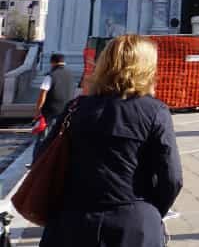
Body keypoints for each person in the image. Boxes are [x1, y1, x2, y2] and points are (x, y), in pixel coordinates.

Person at [39, 35, 182, 247]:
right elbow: (172, 179)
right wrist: (150, 212)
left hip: (72, 222)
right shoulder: (155, 112)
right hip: (133, 225)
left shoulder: (75, 108)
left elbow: (43, 159)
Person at [32, 53, 73, 162]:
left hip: (50, 112)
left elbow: (43, 94)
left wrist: (38, 112)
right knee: (58, 138)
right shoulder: (70, 75)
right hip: (66, 111)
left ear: (52, 62)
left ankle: (36, 162)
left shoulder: (51, 75)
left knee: (43, 138)